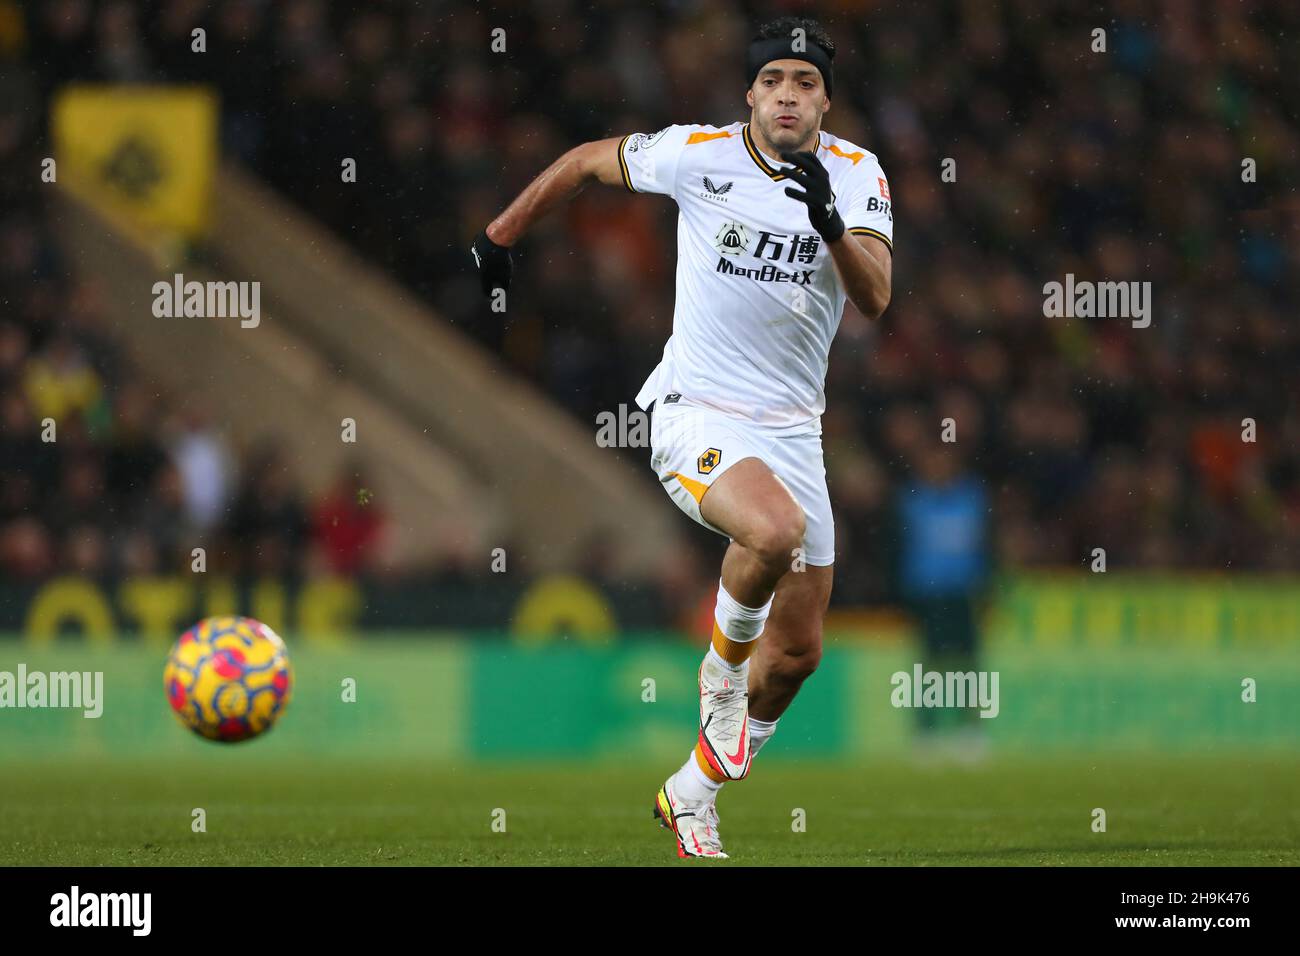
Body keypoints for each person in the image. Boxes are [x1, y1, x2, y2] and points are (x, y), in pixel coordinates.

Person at [470, 16, 893, 858]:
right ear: (750, 94)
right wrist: (502, 233)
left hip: (792, 433)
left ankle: (691, 792)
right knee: (774, 532)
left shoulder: (854, 174)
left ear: (825, 101)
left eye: (804, 83)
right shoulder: (700, 153)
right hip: (695, 410)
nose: (787, 95)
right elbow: (588, 160)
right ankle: (720, 673)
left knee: (800, 653)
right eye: (773, 79)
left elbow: (876, 298)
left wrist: (831, 226)